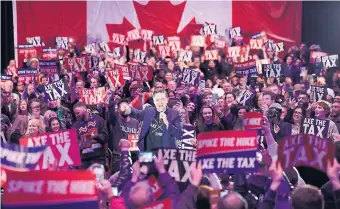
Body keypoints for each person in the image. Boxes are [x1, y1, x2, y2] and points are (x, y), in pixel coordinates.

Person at [72, 102, 109, 169]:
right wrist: (82, 143)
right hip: (84, 159)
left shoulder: (99, 120)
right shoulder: (75, 126)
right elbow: (74, 143)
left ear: (84, 109)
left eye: (78, 113)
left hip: (98, 157)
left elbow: (105, 136)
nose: (76, 115)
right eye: (75, 114)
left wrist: (96, 136)